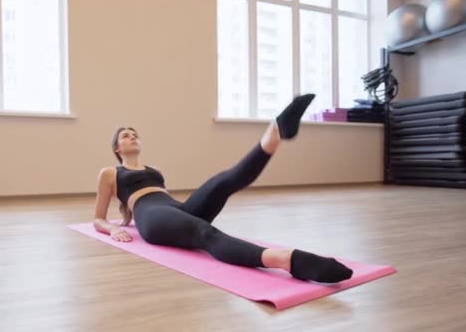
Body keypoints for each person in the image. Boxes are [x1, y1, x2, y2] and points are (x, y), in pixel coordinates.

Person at [94, 94, 353, 283]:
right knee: (205, 233)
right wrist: (114, 227)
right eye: (125, 136)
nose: (132, 137)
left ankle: (275, 132)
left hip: (176, 208)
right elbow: (98, 219)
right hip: (151, 217)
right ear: (117, 149)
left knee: (223, 182)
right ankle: (288, 260)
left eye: (135, 133)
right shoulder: (110, 172)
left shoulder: (153, 170)